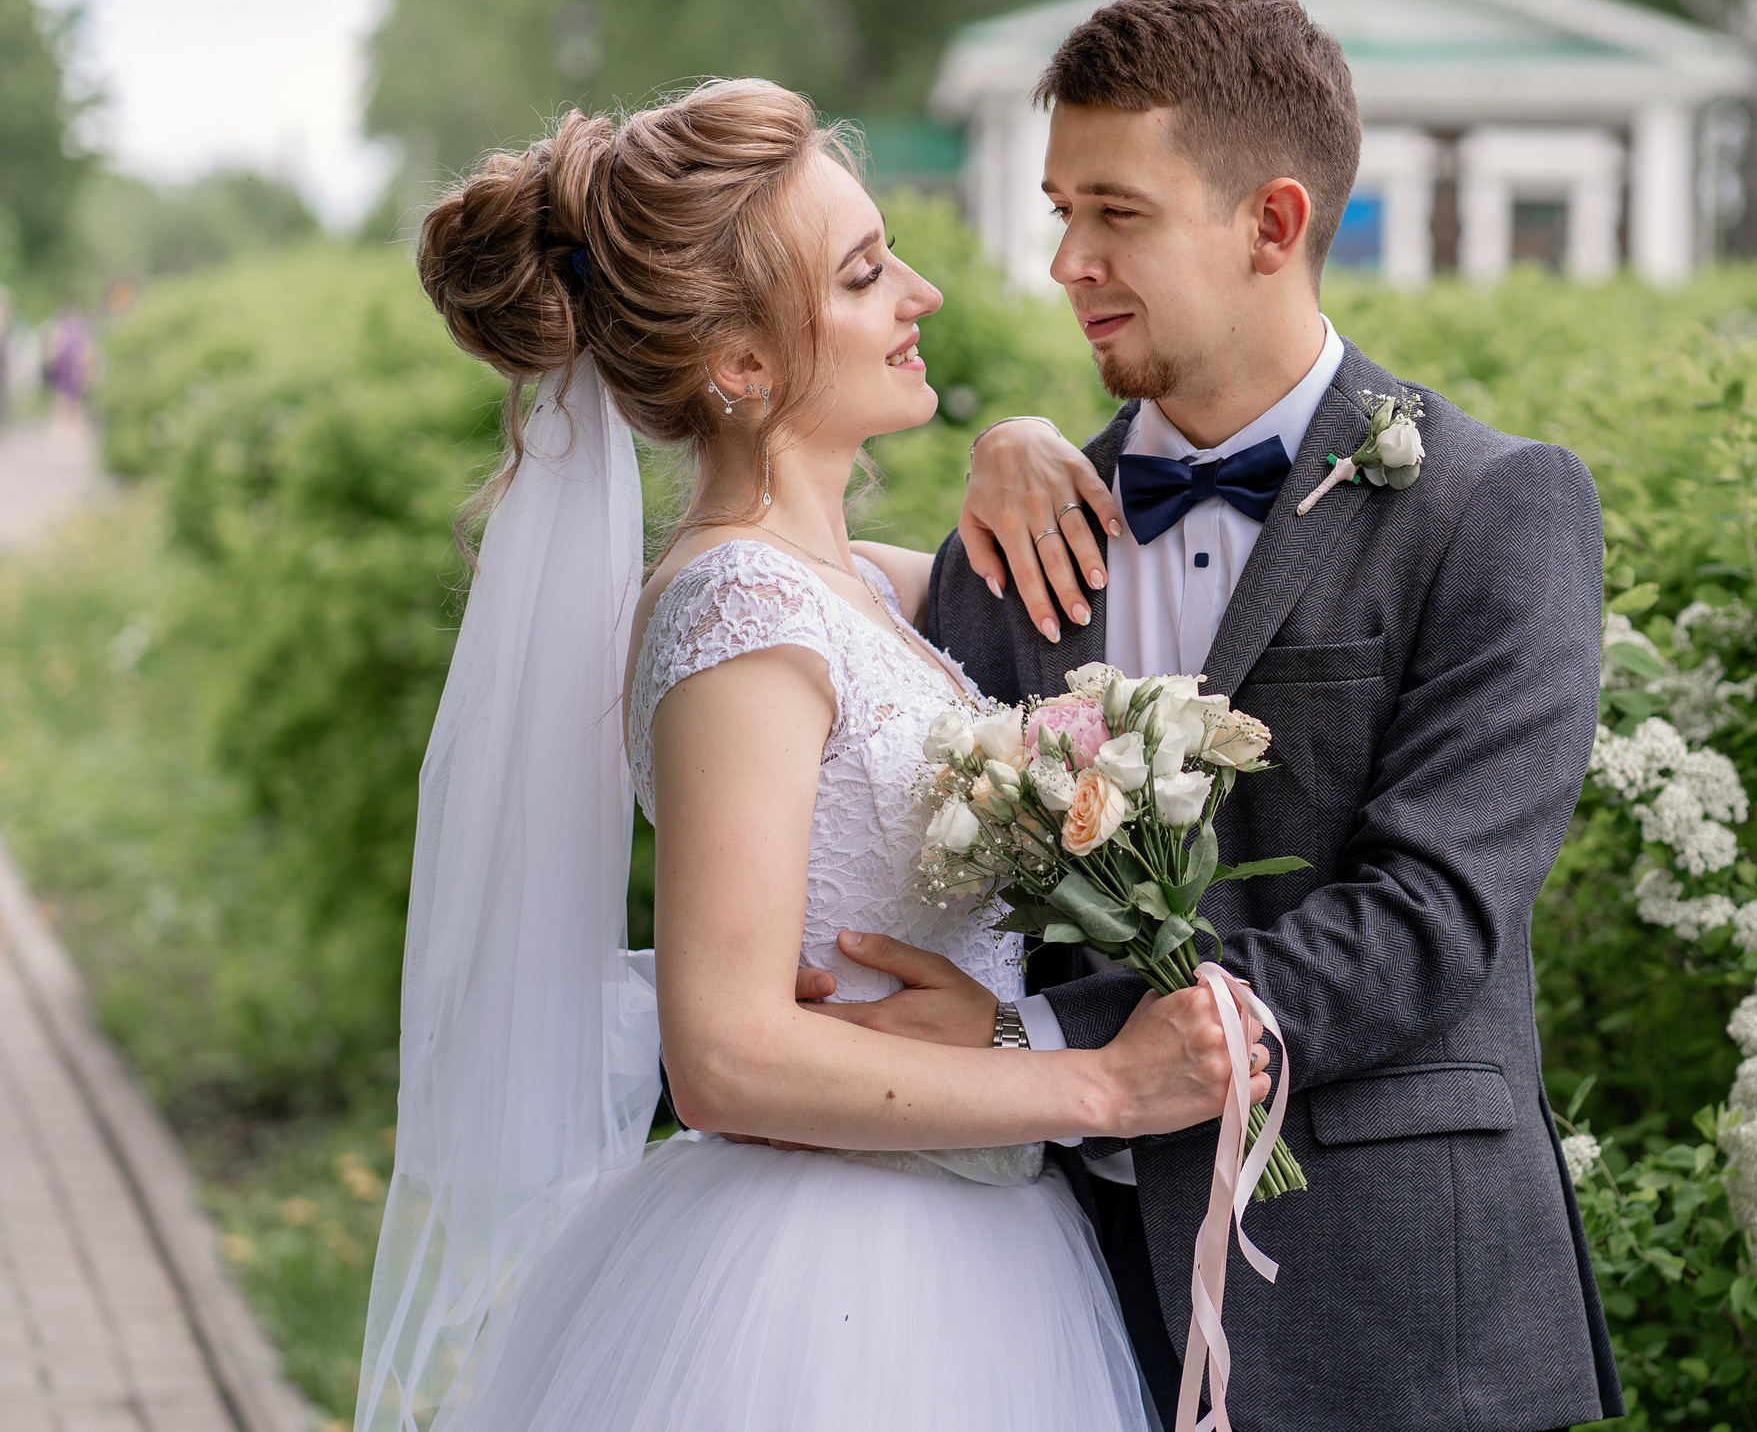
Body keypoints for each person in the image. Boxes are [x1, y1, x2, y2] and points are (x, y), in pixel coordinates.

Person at [358, 77, 1267, 1432]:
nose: (920, 294)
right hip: (835, 1277)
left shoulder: (836, 586)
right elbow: (723, 1054)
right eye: (862, 276)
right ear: (741, 365)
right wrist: (1097, 1085)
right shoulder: (740, 619)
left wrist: (1020, 441)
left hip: (975, 1242)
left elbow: (997, 589)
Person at [845, 0, 1623, 1432]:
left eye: (1117, 214)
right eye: (1059, 209)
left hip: (1403, 1322)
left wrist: (1055, 1047)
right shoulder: (1020, 541)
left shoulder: (1493, 507)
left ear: (1272, 224)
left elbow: (1430, 917)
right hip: (1068, 1314)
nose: (1068, 259)